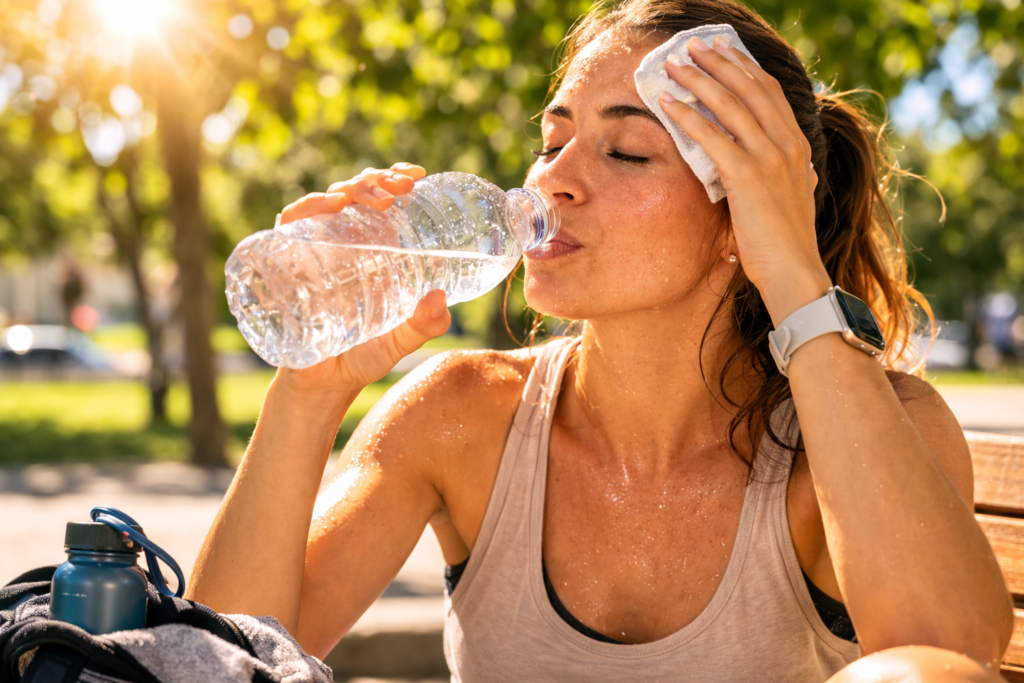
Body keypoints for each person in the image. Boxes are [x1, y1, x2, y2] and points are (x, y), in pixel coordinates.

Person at [188, 0, 1013, 679]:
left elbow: (950, 658)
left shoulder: (871, 434)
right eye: (552, 142)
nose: (552, 177)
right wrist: (310, 387)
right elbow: (210, 663)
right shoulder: (461, 418)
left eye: (625, 150)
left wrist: (793, 274)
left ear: (742, 219)